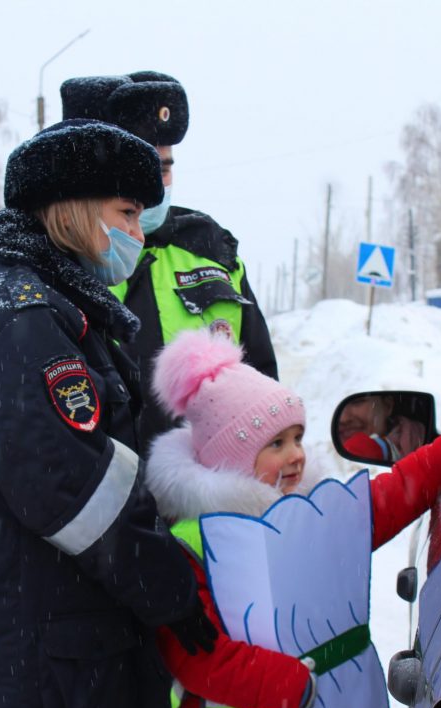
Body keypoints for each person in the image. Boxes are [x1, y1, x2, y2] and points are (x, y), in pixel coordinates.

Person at [0, 119, 218, 708]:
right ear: (73, 209)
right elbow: (76, 494)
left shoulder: (47, 307)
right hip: (20, 664)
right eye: (126, 213)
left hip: (38, 645)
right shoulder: (25, 322)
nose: (136, 233)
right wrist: (172, 589)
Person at [142, 329, 441, 708]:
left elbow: (395, 494)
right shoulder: (192, 545)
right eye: (276, 443)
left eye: (298, 437)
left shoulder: (317, 516)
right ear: (230, 460)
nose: (296, 454)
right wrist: (291, 685)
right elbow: (196, 657)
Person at [59, 71, 278, 451]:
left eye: (164, 167)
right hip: (104, 502)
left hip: (210, 509)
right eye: (142, 166)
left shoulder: (211, 249)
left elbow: (260, 390)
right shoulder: (51, 263)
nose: (156, 183)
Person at [337, 393, 426, 462]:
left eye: (357, 401)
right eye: (333, 405)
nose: (344, 418)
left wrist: (379, 448)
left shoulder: (417, 440)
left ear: (387, 406)